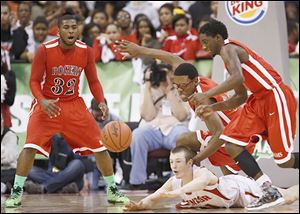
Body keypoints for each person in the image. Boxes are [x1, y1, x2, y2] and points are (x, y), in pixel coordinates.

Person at [5, 10, 129, 208]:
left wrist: (102, 100)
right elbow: (34, 81)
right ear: (59, 31)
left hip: (73, 104)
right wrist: (43, 101)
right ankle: (17, 192)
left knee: (100, 147)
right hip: (48, 104)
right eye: (66, 27)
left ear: (78, 29)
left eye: (74, 27)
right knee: (30, 148)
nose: (71, 31)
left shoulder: (86, 51)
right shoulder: (45, 50)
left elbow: (94, 81)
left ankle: (112, 190)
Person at [190, 19, 298, 209]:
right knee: (231, 143)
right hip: (257, 101)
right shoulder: (227, 60)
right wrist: (212, 107)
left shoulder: (228, 48)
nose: (204, 46)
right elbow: (240, 97)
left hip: (274, 95)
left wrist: (206, 95)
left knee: (284, 161)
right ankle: (267, 189)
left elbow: (237, 78)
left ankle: (268, 189)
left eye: (206, 41)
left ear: (218, 38)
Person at [114, 40, 255, 176]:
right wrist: (140, 51)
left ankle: (259, 183)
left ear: (192, 82)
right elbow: (170, 57)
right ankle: (194, 184)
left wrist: (196, 159)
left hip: (235, 139)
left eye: (182, 87)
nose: (179, 90)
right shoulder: (191, 77)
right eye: (177, 86)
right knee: (185, 141)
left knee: (189, 141)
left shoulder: (202, 98)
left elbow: (219, 134)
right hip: (230, 133)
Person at [123, 146, 299, 211]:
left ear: (190, 163)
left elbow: (201, 182)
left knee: (288, 197)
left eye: (178, 162)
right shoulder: (173, 181)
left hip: (240, 191)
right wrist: (140, 205)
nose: (174, 166)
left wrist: (178, 192)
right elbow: (155, 197)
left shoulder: (201, 173)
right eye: (171, 162)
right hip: (227, 201)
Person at [123, 62, 191, 191]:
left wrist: (169, 90)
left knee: (185, 136)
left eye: (166, 73)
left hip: (173, 128)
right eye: (160, 73)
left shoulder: (180, 89)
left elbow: (181, 115)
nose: (163, 76)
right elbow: (148, 116)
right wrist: (148, 84)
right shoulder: (148, 89)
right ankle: (137, 182)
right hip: (152, 129)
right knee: (137, 134)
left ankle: (177, 181)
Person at [24, 133, 92, 194]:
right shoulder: (53, 140)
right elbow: (52, 165)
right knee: (30, 170)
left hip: (73, 179)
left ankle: (44, 188)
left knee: (77, 164)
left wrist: (85, 179)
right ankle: (62, 188)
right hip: (61, 177)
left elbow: (82, 164)